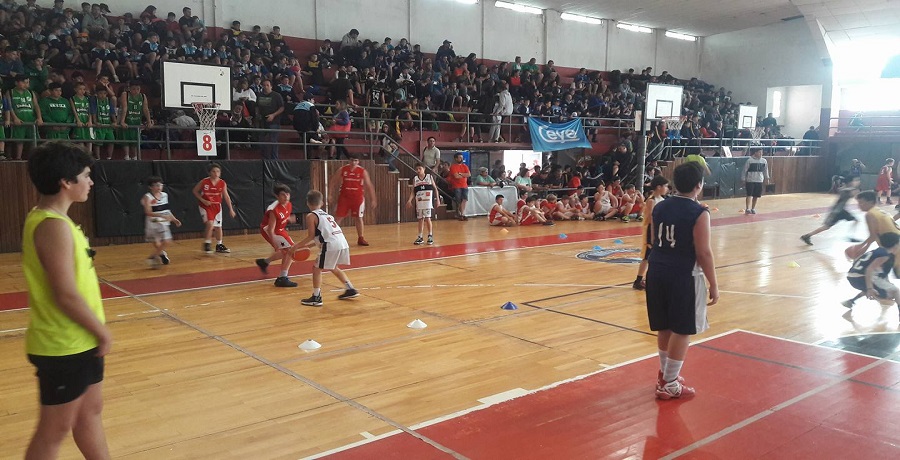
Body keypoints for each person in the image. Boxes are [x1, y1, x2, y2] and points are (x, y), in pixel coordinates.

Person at [22, 142, 111, 459]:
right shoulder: (52, 227)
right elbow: (65, 294)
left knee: (90, 414)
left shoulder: (56, 221)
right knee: (53, 431)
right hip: (63, 346)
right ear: (66, 182)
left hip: (80, 341)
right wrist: (102, 332)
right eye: (86, 175)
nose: (90, 182)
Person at [646, 163, 719, 400]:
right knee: (683, 329)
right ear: (699, 185)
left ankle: (666, 375)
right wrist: (714, 284)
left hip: (656, 270)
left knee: (665, 325)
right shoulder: (699, 212)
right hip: (683, 274)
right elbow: (703, 252)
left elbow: (657, 239)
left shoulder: (659, 206)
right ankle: (669, 383)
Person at [292, 190, 359, 306]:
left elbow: (311, 236)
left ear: (307, 203)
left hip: (331, 245)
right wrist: (309, 246)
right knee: (333, 266)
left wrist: (296, 246)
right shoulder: (327, 215)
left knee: (316, 269)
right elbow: (323, 235)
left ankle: (316, 297)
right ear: (321, 203)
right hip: (342, 243)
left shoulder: (311, 216)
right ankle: (350, 289)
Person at [842, 232, 900, 314]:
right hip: (859, 277)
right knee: (895, 291)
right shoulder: (885, 255)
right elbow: (869, 270)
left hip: (852, 276)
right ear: (895, 245)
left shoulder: (878, 251)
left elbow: (880, 274)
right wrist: (870, 288)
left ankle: (851, 301)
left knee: (875, 286)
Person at [255, 183, 299, 287]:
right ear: (277, 196)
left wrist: (288, 219)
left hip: (279, 229)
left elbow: (283, 217)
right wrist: (275, 244)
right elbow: (270, 229)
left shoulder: (288, 204)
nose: (286, 197)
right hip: (269, 230)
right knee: (291, 250)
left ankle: (265, 262)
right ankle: (282, 278)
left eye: (287, 194)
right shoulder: (274, 210)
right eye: (283, 195)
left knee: (286, 252)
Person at [329, 156, 377, 246]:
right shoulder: (343, 169)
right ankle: (333, 237)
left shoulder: (362, 171)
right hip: (344, 197)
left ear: (358, 161)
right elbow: (333, 181)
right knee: (338, 217)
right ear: (349, 160)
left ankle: (361, 238)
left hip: (357, 198)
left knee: (359, 218)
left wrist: (373, 199)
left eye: (355, 160)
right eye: (352, 160)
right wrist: (330, 194)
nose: (353, 162)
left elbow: (369, 185)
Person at [801, 176, 861, 245]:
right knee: (826, 227)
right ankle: (807, 236)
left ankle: (851, 236)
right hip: (837, 212)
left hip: (842, 211)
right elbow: (853, 194)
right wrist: (855, 188)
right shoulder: (847, 190)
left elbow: (854, 194)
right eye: (856, 180)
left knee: (856, 220)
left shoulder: (848, 189)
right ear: (850, 182)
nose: (858, 182)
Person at [634, 175, 669, 290]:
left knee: (656, 256)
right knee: (647, 256)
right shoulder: (651, 200)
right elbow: (650, 219)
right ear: (659, 187)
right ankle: (639, 280)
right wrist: (653, 236)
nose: (667, 188)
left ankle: (651, 279)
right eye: (665, 186)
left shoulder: (663, 200)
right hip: (651, 229)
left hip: (660, 230)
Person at [192, 163, 236, 254]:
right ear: (209, 173)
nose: (216, 173)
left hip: (217, 206)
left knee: (218, 226)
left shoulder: (222, 183)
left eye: (218, 171)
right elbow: (195, 191)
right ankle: (207, 243)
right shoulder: (204, 182)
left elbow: (226, 196)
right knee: (210, 224)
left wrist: (231, 209)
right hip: (206, 205)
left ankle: (219, 245)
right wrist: (203, 200)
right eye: (214, 171)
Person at [141, 176, 182, 268]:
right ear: (151, 187)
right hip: (152, 222)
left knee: (167, 240)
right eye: (156, 185)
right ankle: (162, 254)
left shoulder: (164, 195)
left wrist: (174, 219)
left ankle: (153, 257)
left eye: (160, 184)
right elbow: (148, 212)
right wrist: (160, 215)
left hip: (163, 222)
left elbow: (167, 210)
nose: (158, 187)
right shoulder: (148, 197)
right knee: (156, 243)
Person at [406, 163, 439, 245]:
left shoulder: (429, 177)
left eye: (420, 169)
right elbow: (413, 191)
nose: (418, 170)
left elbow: (435, 188)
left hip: (428, 202)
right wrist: (409, 200)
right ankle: (420, 236)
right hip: (419, 202)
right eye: (417, 169)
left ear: (424, 168)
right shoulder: (415, 179)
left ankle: (430, 236)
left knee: (428, 218)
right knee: (420, 219)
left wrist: (437, 199)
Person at [119, 81, 153, 161]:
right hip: (127, 119)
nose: (136, 91)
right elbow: (125, 108)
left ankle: (135, 157)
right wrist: (122, 121)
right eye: (133, 89)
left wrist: (149, 121)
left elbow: (145, 109)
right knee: (126, 138)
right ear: (129, 89)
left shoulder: (143, 96)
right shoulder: (125, 94)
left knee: (135, 139)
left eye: (138, 89)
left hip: (137, 120)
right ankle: (126, 156)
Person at [742, 148, 769, 214]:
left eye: (761, 152)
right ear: (755, 153)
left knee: (756, 195)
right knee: (749, 194)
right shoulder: (749, 160)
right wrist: (743, 179)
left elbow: (766, 170)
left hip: (759, 180)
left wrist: (767, 178)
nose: (761, 154)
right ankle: (747, 208)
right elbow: (744, 170)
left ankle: (753, 208)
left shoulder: (764, 161)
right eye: (759, 152)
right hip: (750, 180)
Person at [448, 152, 471, 220]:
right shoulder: (453, 166)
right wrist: (464, 174)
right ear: (456, 159)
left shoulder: (465, 166)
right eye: (459, 157)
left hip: (464, 185)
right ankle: (459, 213)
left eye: (461, 157)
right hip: (456, 185)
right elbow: (456, 176)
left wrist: (460, 174)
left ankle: (462, 213)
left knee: (464, 199)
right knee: (458, 200)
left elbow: (469, 175)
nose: (461, 158)